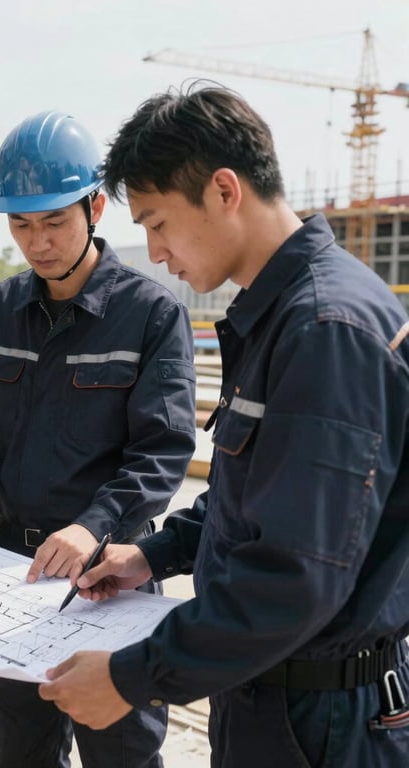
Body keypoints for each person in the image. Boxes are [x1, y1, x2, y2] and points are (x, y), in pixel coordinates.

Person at [38, 84, 409, 767]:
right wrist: (156, 552)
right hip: (275, 700)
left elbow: (296, 574)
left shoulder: (326, 329)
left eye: (156, 222)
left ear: (223, 191)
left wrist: (130, 676)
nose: (153, 252)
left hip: (322, 724)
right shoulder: (283, 318)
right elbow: (269, 498)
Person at [0, 110, 197, 768]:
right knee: (21, 749)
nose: (37, 242)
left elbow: (162, 453)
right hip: (9, 574)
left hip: (111, 577)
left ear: (95, 207)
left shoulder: (151, 316)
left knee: (121, 753)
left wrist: (95, 525)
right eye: (21, 224)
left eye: (53, 222)